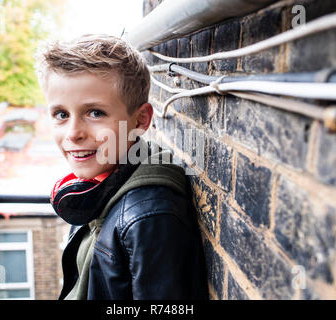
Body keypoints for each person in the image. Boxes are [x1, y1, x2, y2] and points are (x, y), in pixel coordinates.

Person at [35, 34, 208, 300]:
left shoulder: (149, 218)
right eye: (61, 114)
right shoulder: (98, 184)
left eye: (95, 113)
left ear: (140, 120)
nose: (73, 133)